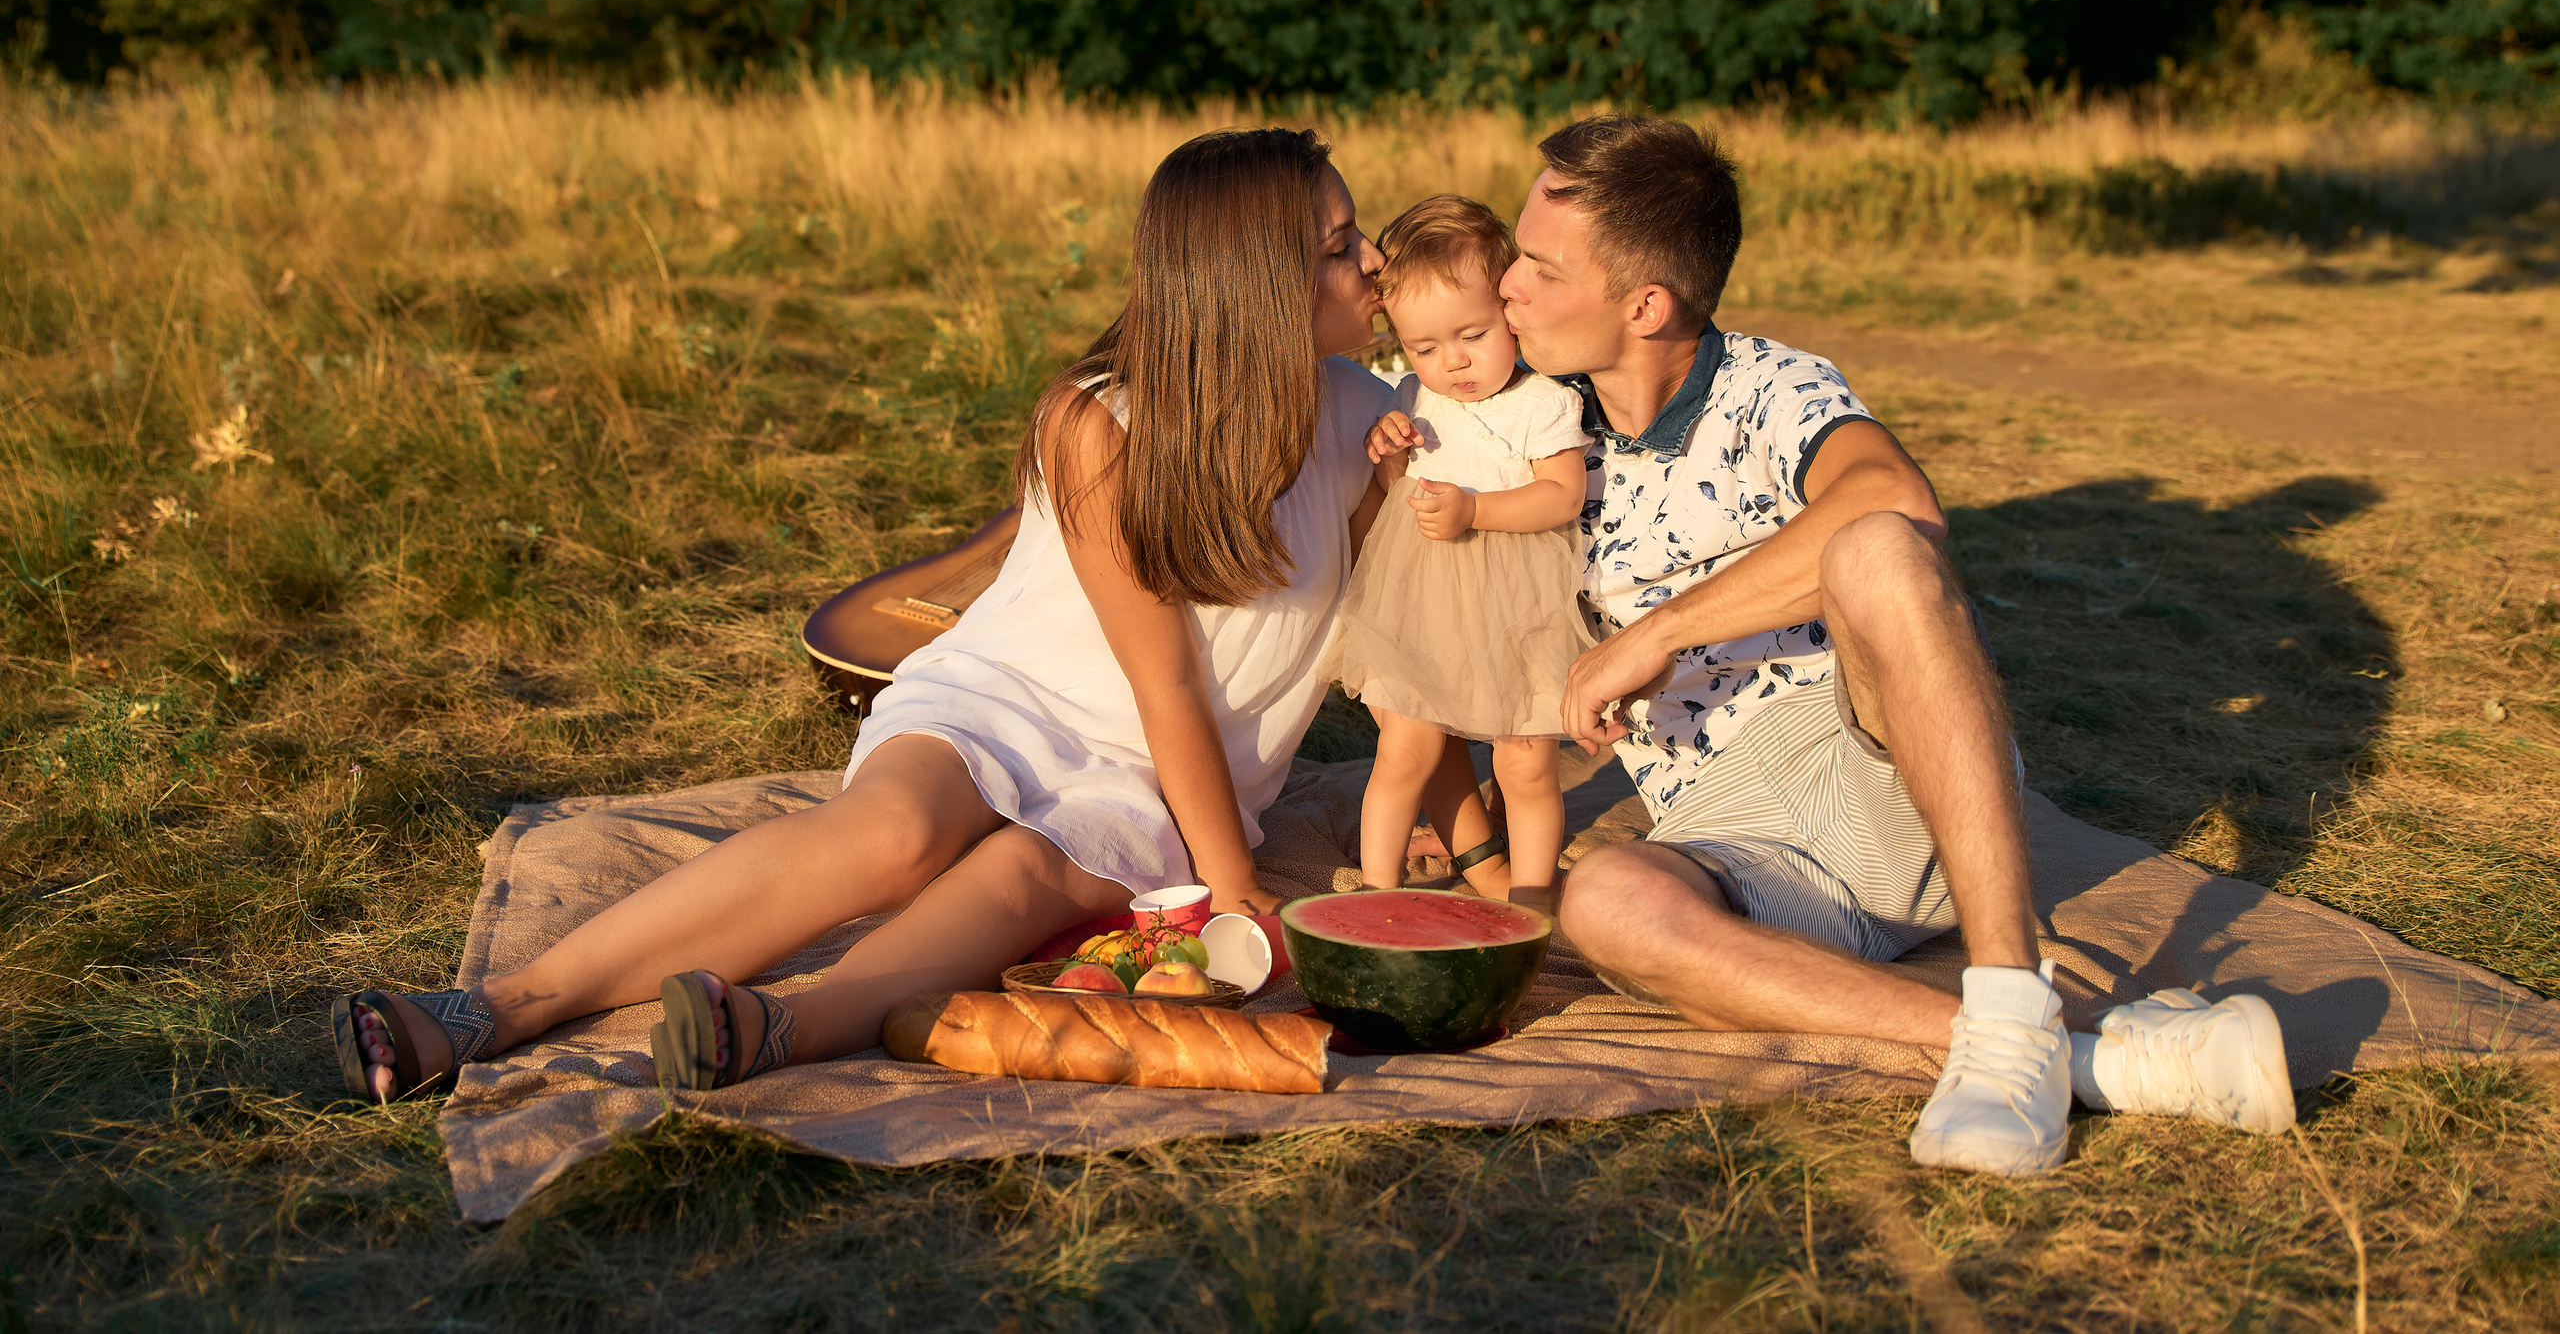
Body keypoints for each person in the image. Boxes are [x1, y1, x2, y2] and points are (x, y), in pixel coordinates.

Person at [332, 126, 1470, 1100]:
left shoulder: (1372, 422)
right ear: (1246, 280)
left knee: (1023, 876)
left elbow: (1403, 634)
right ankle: (497, 1008)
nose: (1374, 264)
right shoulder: (1100, 420)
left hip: (1168, 771)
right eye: (1337, 246)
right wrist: (1236, 891)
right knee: (891, 834)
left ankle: (786, 1026)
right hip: (1013, 695)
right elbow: (1162, 672)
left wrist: (1440, 804)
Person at [1506, 115, 2297, 1176]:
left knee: (1878, 545)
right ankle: (2077, 1055)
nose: (1507, 284)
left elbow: (1895, 493)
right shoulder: (1536, 426)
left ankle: (2008, 982)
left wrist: (1660, 632)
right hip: (1738, 836)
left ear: (1642, 305)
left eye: (1536, 265)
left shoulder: (1767, 386)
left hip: (1884, 758)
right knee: (1603, 897)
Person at [1332, 196, 1592, 911]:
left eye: (1473, 334)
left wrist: (1476, 509)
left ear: (1509, 308)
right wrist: (1390, 456)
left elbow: (1562, 494)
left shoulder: (1542, 400)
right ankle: (1375, 893)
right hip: (1427, 599)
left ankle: (1531, 897)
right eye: (1425, 348)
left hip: (1519, 599)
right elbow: (1399, 489)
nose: (1453, 361)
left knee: (1527, 759)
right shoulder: (1416, 395)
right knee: (1404, 747)